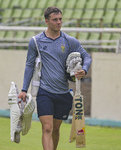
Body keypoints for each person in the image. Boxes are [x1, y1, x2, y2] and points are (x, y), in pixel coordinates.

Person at [18, 6, 92, 150]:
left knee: (56, 130)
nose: (59, 22)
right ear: (46, 21)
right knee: (47, 128)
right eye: (55, 20)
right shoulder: (36, 41)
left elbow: (86, 56)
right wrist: (23, 89)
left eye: (60, 19)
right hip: (44, 92)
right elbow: (29, 66)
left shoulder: (70, 41)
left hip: (64, 93)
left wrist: (84, 69)